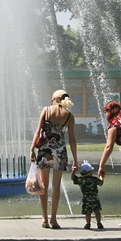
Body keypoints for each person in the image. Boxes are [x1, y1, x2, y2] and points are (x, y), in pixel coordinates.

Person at [30, 90, 78, 229]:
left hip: (45, 150)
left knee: (43, 185)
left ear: (56, 99)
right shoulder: (69, 116)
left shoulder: (46, 110)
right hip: (60, 151)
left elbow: (38, 131)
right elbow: (72, 140)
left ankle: (44, 218)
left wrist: (32, 148)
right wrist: (75, 160)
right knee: (56, 186)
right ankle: (54, 220)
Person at [71, 160, 103, 229]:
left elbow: (73, 178)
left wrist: (73, 171)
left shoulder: (81, 180)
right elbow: (101, 183)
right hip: (95, 198)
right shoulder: (94, 179)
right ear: (90, 172)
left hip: (86, 199)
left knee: (88, 212)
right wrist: (101, 176)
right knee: (97, 211)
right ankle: (99, 223)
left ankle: (88, 224)